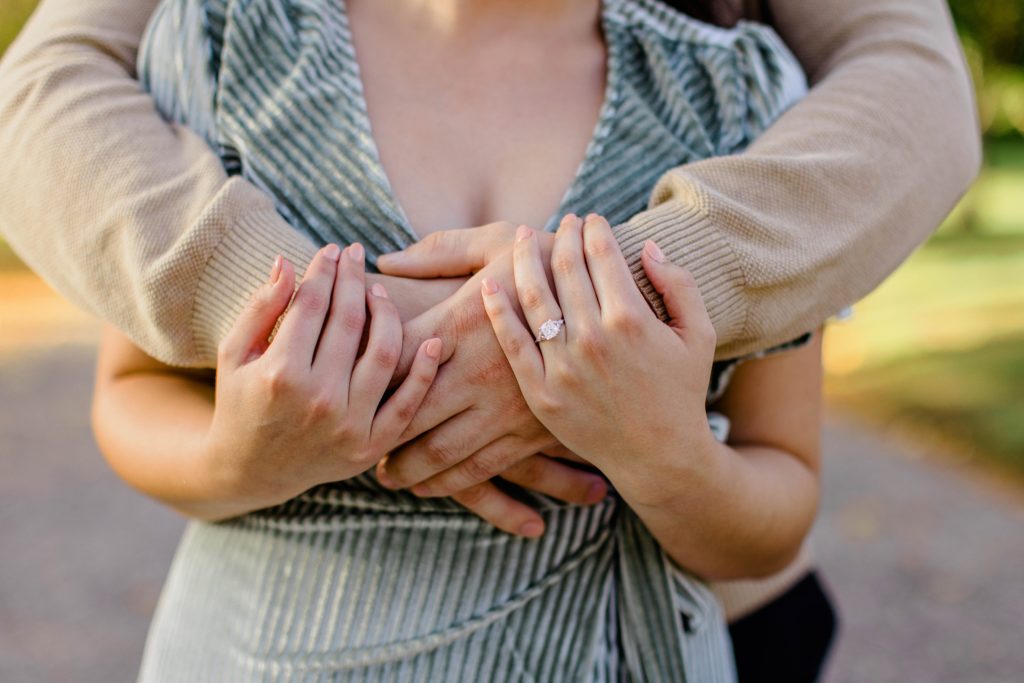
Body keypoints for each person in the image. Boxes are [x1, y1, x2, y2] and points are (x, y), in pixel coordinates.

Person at [0, 0, 979, 680]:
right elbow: (131, 393)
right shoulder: (216, 51)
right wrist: (235, 454)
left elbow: (776, 496)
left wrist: (662, 453)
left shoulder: (736, 99)